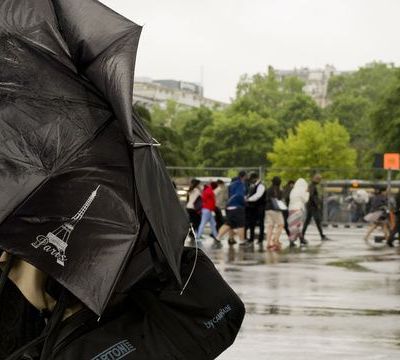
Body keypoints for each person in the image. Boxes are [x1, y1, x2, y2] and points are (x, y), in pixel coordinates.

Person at [213, 171, 248, 248]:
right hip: (237, 206)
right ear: (244, 176)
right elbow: (239, 195)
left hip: (229, 207)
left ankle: (217, 238)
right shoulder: (240, 184)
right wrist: (244, 202)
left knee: (229, 223)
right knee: (241, 224)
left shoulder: (231, 185)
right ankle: (242, 241)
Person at [301, 174, 329, 243]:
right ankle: (322, 236)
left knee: (309, 221)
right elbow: (312, 196)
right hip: (312, 206)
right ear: (316, 179)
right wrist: (317, 203)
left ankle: (302, 235)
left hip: (310, 206)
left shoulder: (311, 185)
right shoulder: (312, 186)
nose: (319, 181)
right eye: (319, 180)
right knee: (316, 221)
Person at [288, 178, 309, 247]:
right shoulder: (302, 190)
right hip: (299, 208)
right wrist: (307, 193)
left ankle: (301, 239)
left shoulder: (293, 190)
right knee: (298, 225)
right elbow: (305, 200)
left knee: (293, 225)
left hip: (291, 208)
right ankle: (292, 240)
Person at [265, 176, 285, 251]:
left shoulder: (268, 189)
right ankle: (275, 240)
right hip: (275, 209)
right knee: (281, 224)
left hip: (267, 209)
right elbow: (280, 199)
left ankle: (268, 243)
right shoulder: (278, 190)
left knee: (270, 226)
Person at [246, 172, 266, 244]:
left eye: (251, 179)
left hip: (260, 207)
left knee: (261, 223)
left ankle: (260, 239)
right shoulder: (253, 185)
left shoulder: (261, 186)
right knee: (252, 223)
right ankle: (251, 238)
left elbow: (258, 196)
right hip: (253, 207)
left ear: (255, 178)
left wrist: (248, 199)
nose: (251, 181)